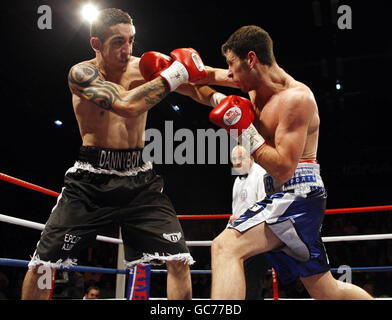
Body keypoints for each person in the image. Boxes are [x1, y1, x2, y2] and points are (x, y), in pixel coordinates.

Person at [21, 8, 215, 300]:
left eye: (131, 40)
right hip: (90, 180)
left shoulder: (144, 68)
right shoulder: (82, 73)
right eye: (117, 42)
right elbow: (125, 104)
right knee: (44, 264)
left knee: (178, 260)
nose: (127, 50)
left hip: (140, 180)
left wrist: (237, 88)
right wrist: (175, 73)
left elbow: (200, 80)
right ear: (96, 44)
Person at [201, 25, 373, 299]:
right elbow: (206, 80)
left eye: (232, 64)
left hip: (298, 195)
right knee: (327, 291)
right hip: (282, 195)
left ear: (252, 59)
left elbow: (283, 167)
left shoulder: (296, 99)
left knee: (225, 247)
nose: (229, 74)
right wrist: (174, 76)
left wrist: (245, 132)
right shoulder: (254, 85)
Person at [230, 145, 269, 299]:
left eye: (241, 158)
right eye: (234, 160)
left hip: (258, 238)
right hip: (240, 238)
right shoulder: (237, 181)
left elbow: (266, 207)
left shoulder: (262, 174)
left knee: (251, 285)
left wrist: (242, 218)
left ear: (251, 157)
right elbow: (235, 212)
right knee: (239, 283)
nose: (237, 163)